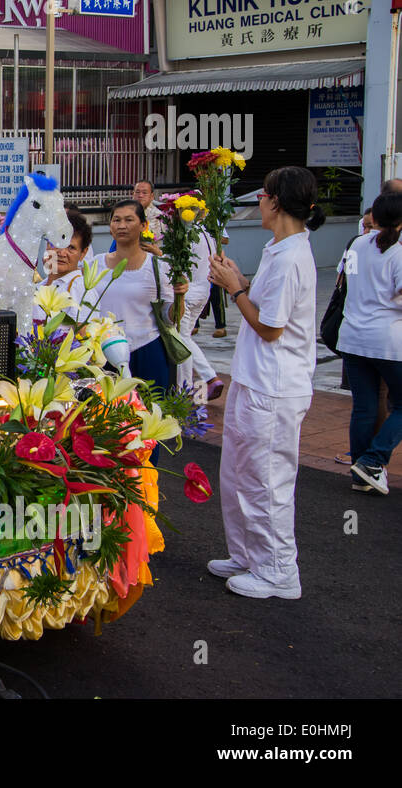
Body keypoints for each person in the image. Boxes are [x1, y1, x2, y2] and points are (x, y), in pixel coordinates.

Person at [207, 165, 324, 600]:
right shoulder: (281, 248)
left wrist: (235, 290)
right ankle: (248, 555)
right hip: (254, 380)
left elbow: (271, 327)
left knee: (266, 481)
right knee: (237, 473)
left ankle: (278, 571)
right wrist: (241, 281)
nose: (258, 201)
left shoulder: (292, 256)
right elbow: (268, 303)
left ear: (275, 202)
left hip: (274, 387)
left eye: (262, 196)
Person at [93, 200, 186, 465]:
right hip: (106, 354)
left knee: (146, 424)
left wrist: (181, 297)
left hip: (148, 351)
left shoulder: (159, 267)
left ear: (144, 225)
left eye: (129, 220)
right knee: (106, 422)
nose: (121, 225)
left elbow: (170, 318)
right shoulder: (96, 265)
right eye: (116, 220)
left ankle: (146, 480)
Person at [335, 191, 402, 497]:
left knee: (363, 407)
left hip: (352, 337)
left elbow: (346, 283)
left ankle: (362, 473)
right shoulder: (399, 251)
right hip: (387, 341)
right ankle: (374, 461)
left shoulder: (357, 244)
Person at [177, 227, 224, 401]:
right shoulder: (206, 231)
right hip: (203, 290)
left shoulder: (186, 232)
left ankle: (188, 386)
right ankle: (206, 379)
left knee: (181, 340)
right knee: (185, 338)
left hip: (187, 292)